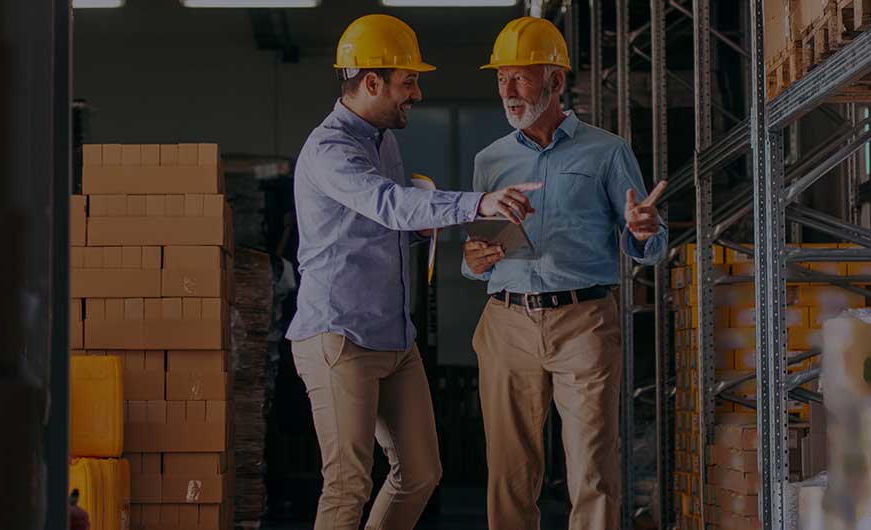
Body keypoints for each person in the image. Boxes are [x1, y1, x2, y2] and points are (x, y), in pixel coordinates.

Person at [286, 13, 544, 530]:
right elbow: (388, 203)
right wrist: (479, 203)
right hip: (340, 338)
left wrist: (416, 230)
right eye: (409, 82)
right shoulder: (330, 149)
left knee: (421, 472)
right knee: (347, 485)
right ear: (372, 82)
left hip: (393, 337)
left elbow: (381, 222)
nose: (417, 93)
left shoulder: (384, 141)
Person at [461, 16, 669, 530]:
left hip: (584, 320)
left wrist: (643, 231)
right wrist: (472, 260)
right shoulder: (490, 160)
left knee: (593, 469)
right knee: (509, 472)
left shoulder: (607, 150)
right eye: (501, 79)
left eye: (521, 77)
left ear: (555, 80)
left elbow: (646, 242)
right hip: (506, 321)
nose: (508, 91)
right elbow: (480, 244)